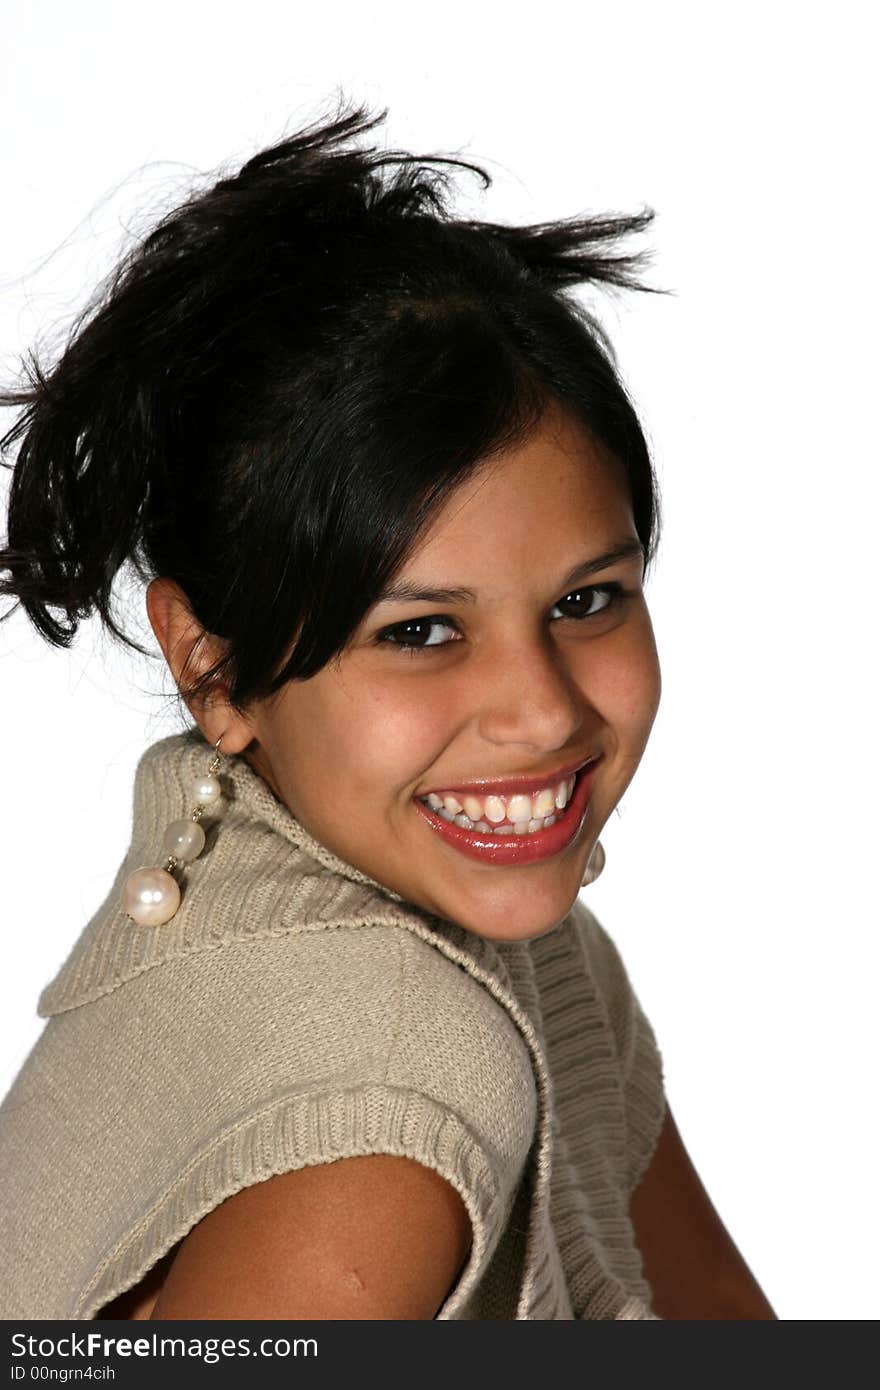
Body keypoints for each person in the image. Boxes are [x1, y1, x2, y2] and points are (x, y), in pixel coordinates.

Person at [0, 101, 776, 1320]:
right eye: (418, 632)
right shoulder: (389, 1108)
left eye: (587, 599)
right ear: (210, 668)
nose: (539, 712)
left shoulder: (532, 963)